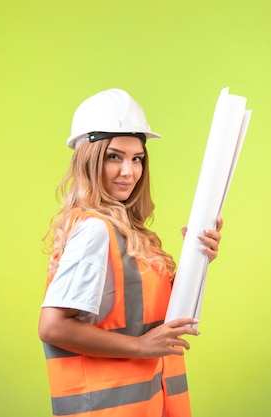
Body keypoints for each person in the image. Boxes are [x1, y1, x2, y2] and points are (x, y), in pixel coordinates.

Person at [38, 88, 222, 417]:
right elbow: (53, 327)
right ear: (88, 160)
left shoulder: (128, 232)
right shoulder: (96, 230)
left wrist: (198, 260)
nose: (129, 171)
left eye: (137, 158)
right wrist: (140, 347)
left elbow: (151, 320)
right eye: (114, 156)